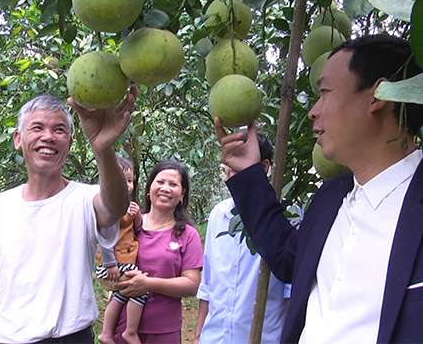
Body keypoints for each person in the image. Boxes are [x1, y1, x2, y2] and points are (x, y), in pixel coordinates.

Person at [214, 34, 423, 343]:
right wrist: (248, 175)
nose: (313, 111)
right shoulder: (330, 197)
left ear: (377, 96)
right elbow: (291, 262)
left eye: (324, 92)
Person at [0, 88, 136, 344]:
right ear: (18, 139)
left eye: (59, 130)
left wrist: (103, 148)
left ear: (70, 142)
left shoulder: (85, 200)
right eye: (37, 128)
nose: (48, 137)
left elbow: (115, 206)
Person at [194, 131, 289, 344]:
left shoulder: (287, 216)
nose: (232, 166)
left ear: (263, 167)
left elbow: (290, 289)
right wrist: (199, 335)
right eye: (230, 157)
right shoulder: (219, 215)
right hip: (215, 338)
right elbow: (208, 283)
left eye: (241, 157)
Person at [103, 159, 203, 344]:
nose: (166, 188)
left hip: (163, 331)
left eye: (173, 184)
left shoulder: (188, 235)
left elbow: (191, 285)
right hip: (120, 328)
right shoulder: (126, 224)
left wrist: (148, 284)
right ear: (149, 190)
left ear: (182, 195)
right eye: (160, 182)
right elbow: (105, 266)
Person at [96, 155, 146, 344]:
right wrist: (110, 264)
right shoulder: (108, 206)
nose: (127, 185)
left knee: (122, 292)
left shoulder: (128, 207)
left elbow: (136, 233)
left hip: (122, 261)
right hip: (113, 263)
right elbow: (104, 237)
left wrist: (138, 217)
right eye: (120, 180)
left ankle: (107, 333)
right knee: (142, 286)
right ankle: (130, 332)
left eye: (130, 181)